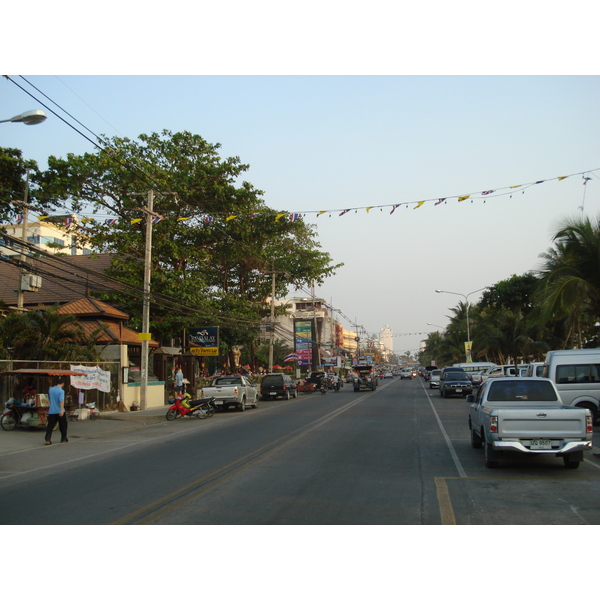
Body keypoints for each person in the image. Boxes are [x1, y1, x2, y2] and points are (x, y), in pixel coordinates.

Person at [45, 378, 68, 445]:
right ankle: (63, 438)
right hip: (59, 411)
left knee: (50, 426)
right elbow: (61, 401)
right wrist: (62, 410)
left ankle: (48, 439)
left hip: (51, 410)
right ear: (63, 383)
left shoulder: (50, 390)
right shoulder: (61, 391)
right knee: (63, 425)